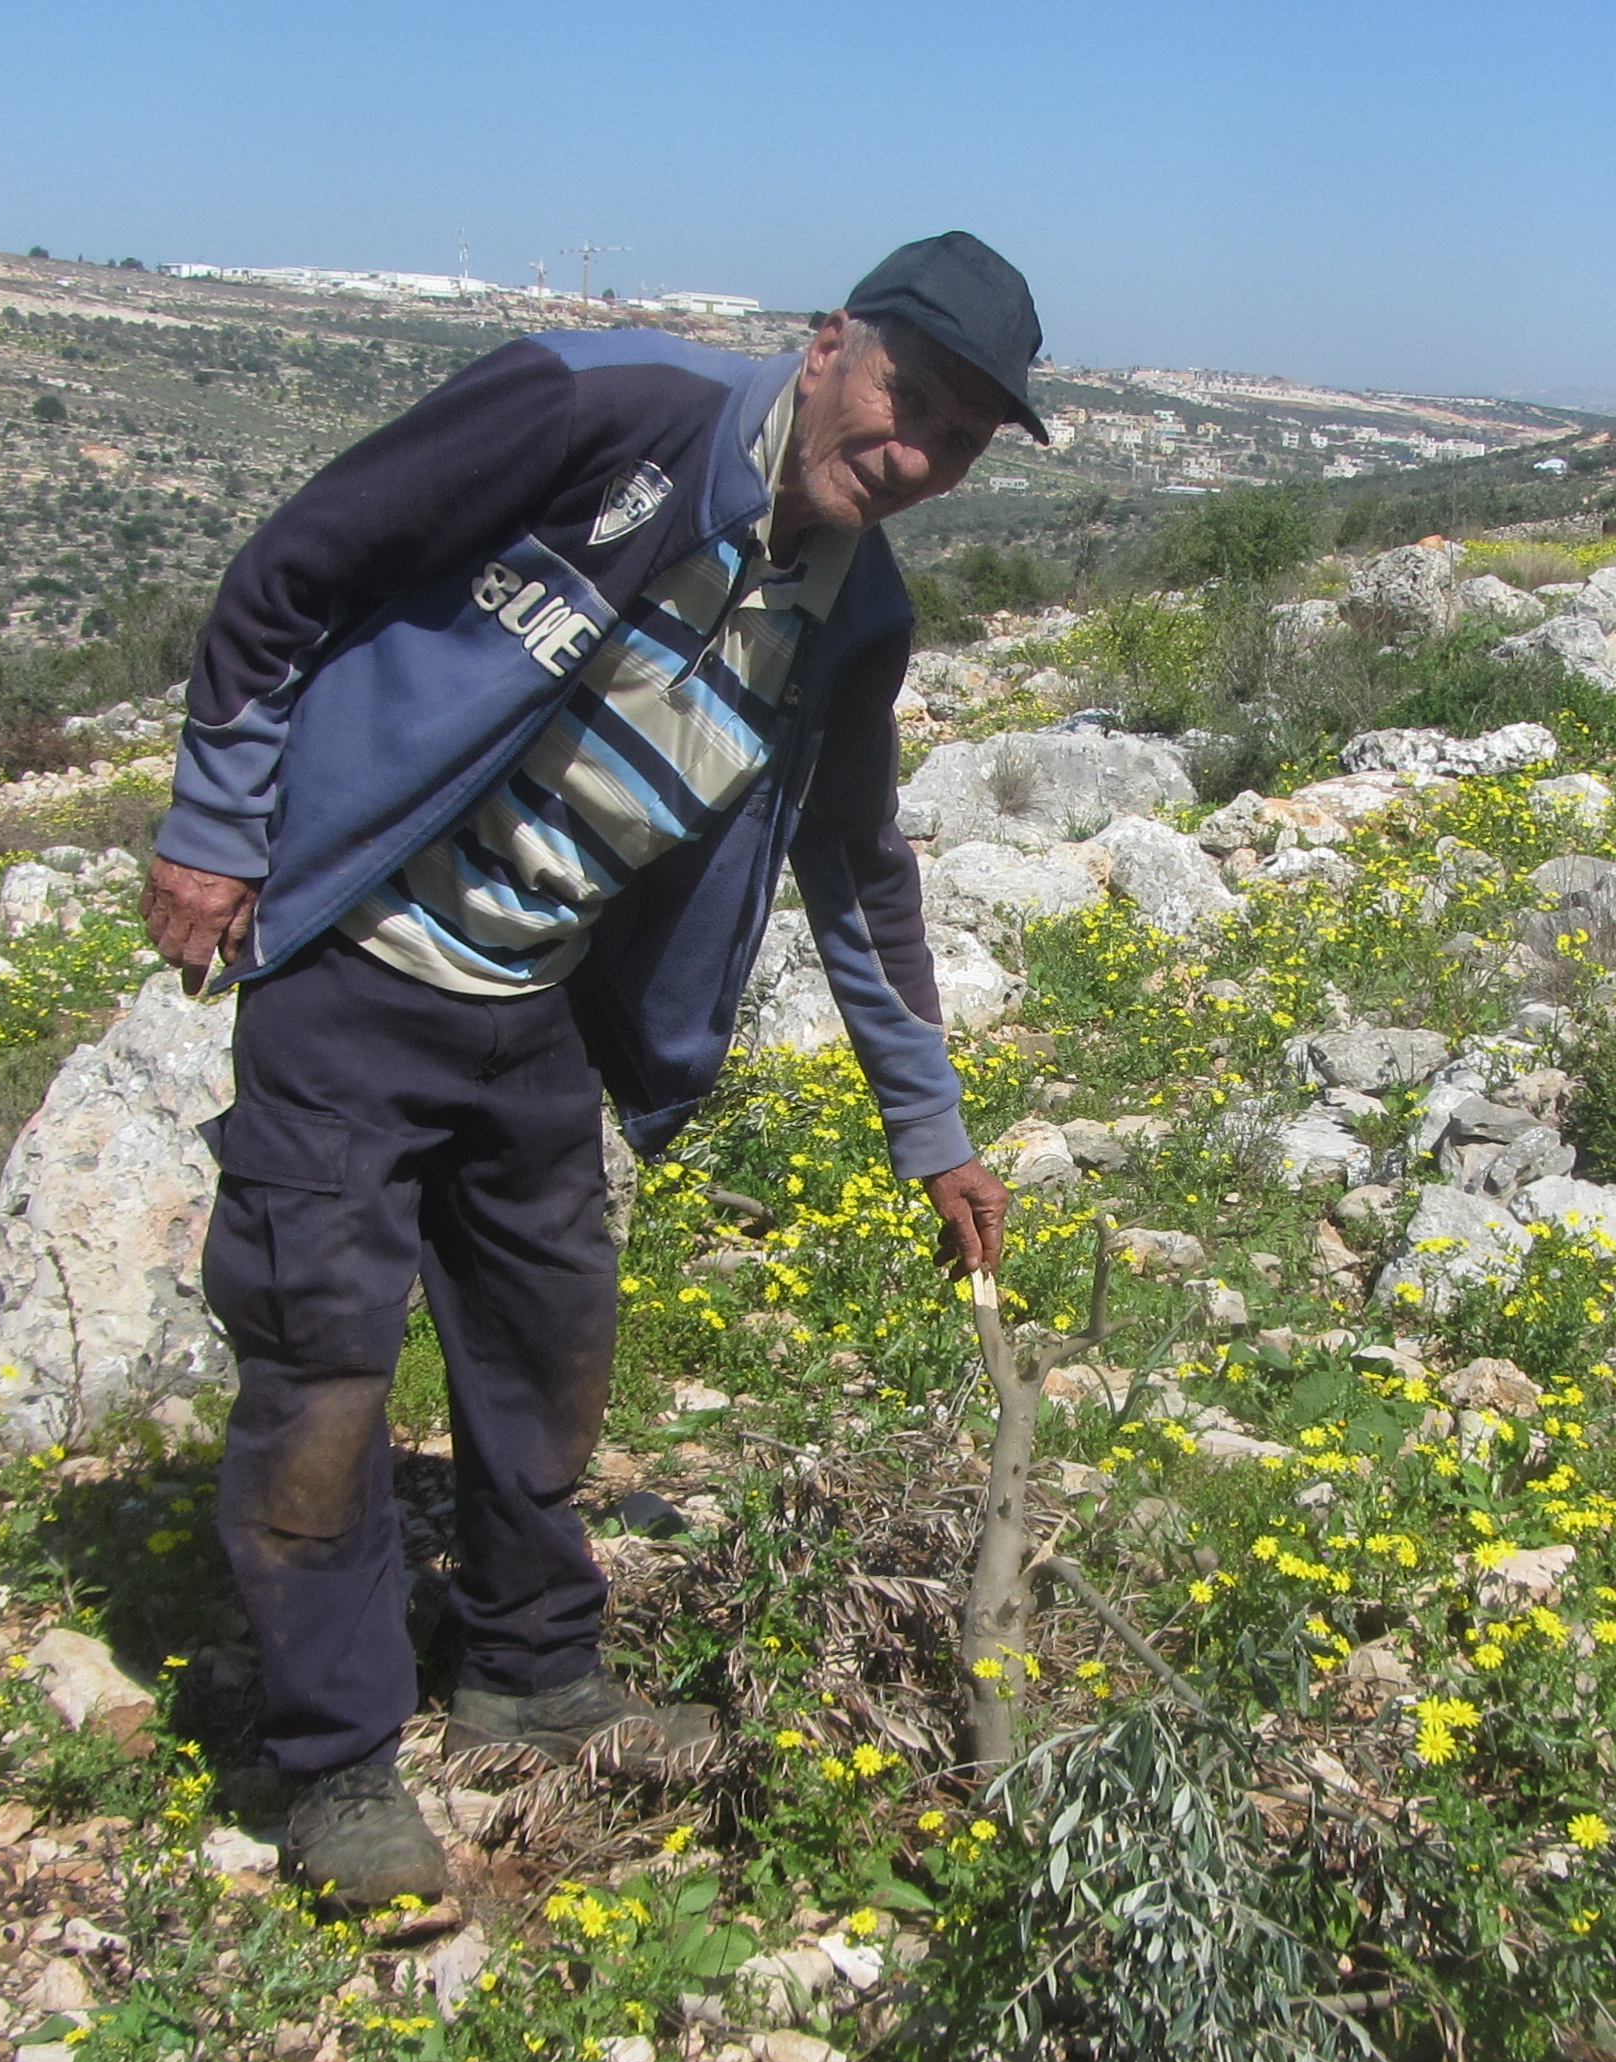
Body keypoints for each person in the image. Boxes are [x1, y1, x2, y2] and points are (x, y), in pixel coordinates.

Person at [139, 234, 1042, 1907]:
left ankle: (532, 1673)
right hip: (356, 965)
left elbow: (857, 869)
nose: (916, 454)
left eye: (965, 439)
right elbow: (294, 565)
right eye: (909, 398)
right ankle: (333, 1761)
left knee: (547, 1349)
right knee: (325, 1375)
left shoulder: (861, 616)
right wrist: (213, 828)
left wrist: (936, 1136)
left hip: (537, 1007)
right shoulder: (600, 408)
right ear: (831, 341)